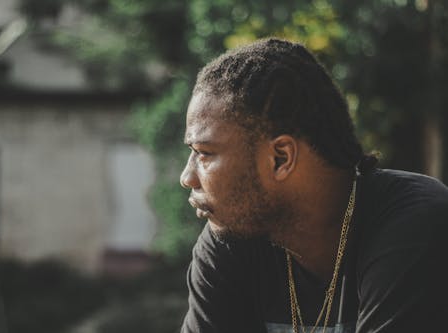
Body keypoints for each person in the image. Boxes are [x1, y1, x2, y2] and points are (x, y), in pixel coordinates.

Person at [178, 38, 448, 333]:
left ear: (281, 158)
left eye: (204, 153)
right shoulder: (229, 241)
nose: (187, 177)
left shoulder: (416, 226)